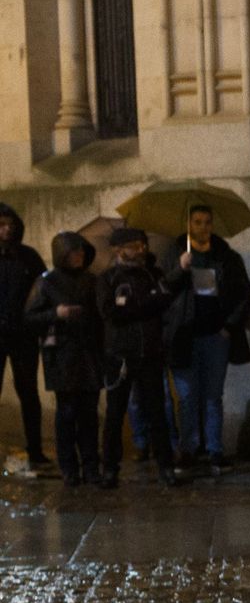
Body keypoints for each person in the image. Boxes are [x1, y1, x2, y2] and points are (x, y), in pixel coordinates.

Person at [160, 204, 250, 473]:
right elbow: (163, 289)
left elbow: (243, 295)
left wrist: (229, 327)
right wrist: (179, 269)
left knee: (213, 395)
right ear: (189, 224)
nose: (202, 227)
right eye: (197, 222)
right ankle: (188, 449)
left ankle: (214, 450)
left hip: (215, 336)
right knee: (188, 397)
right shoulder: (175, 253)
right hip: (183, 336)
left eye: (207, 222)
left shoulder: (226, 257)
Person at [98, 227, 178, 488]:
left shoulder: (153, 274)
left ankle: (166, 467)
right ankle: (109, 468)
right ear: (119, 250)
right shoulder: (108, 278)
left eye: (143, 244)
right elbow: (110, 312)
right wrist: (146, 304)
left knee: (158, 411)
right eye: (134, 245)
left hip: (150, 354)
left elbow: (165, 299)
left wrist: (136, 305)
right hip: (120, 356)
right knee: (115, 414)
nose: (141, 250)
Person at [24, 232, 102, 485]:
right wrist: (56, 313)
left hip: (88, 353)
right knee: (67, 414)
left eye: (81, 252)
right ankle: (69, 467)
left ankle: (91, 466)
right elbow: (30, 317)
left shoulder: (91, 280)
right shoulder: (47, 282)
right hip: (61, 355)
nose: (78, 257)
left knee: (89, 415)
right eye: (73, 252)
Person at [0, 203, 48, 467]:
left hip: (23, 335)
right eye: (2, 225)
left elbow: (43, 288)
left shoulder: (28, 257)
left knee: (28, 393)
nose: (7, 230)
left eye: (10, 225)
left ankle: (35, 450)